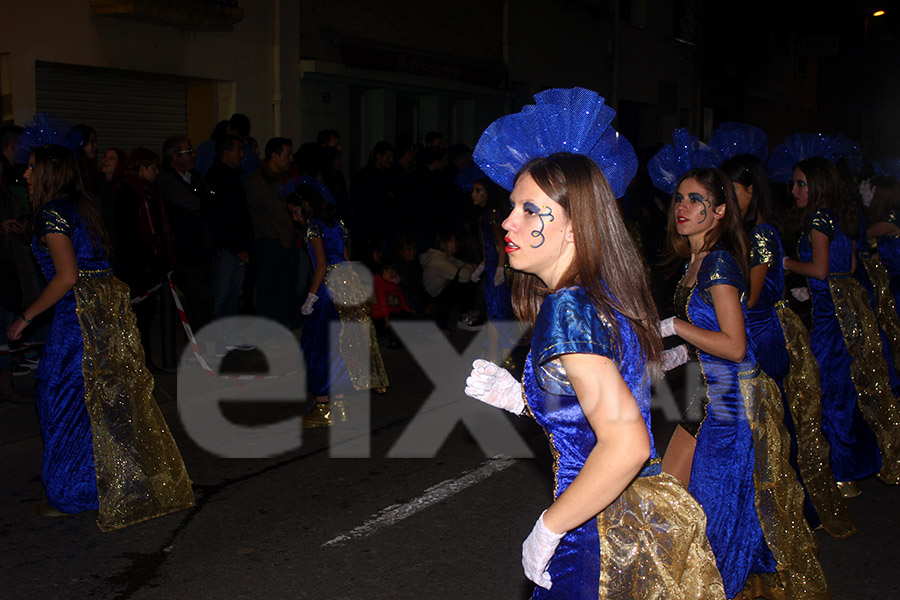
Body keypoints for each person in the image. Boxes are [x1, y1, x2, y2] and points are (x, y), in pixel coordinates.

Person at [465, 88, 725, 599]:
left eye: (529, 209)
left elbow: (627, 442)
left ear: (574, 226)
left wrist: (549, 527)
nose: (507, 221)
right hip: (614, 517)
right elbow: (600, 408)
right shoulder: (594, 294)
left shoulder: (569, 308)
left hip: (590, 531)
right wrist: (522, 399)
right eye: (512, 206)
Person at [659, 167, 829, 598]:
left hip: (731, 400)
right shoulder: (695, 261)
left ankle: (715, 588)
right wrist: (670, 357)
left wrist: (673, 326)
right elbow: (708, 338)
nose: (683, 206)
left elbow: (735, 346)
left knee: (712, 508)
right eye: (679, 197)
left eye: (696, 200)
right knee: (669, 494)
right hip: (704, 389)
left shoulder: (718, 263)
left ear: (718, 212)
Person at [6, 144, 194, 530]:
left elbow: (67, 276)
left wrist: (26, 316)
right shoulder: (80, 205)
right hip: (103, 312)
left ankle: (72, 493)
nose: (24, 176)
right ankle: (109, 480)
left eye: (30, 169)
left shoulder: (53, 213)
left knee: (61, 398)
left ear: (49, 174)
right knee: (100, 399)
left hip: (78, 315)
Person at [720, 154, 855, 540]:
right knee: (765, 428)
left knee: (770, 428)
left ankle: (780, 515)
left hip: (761, 338)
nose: (727, 199)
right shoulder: (752, 232)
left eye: (733, 191)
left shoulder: (761, 235)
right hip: (760, 333)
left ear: (751, 190)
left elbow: (749, 298)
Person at [784, 157, 900, 493]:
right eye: (794, 183)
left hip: (830, 318)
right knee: (849, 387)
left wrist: (786, 261)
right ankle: (859, 464)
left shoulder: (819, 219)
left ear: (818, 186)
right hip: (845, 309)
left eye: (801, 184)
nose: (794, 191)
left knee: (829, 391)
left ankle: (842, 472)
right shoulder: (840, 216)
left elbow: (821, 269)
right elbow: (846, 266)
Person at [286, 184, 388, 428]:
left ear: (305, 207)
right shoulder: (337, 224)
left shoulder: (314, 228)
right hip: (346, 285)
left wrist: (311, 297)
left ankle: (323, 405)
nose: (294, 217)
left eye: (295, 211)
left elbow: (321, 265)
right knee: (341, 345)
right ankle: (340, 404)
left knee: (318, 346)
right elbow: (346, 260)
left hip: (328, 289)